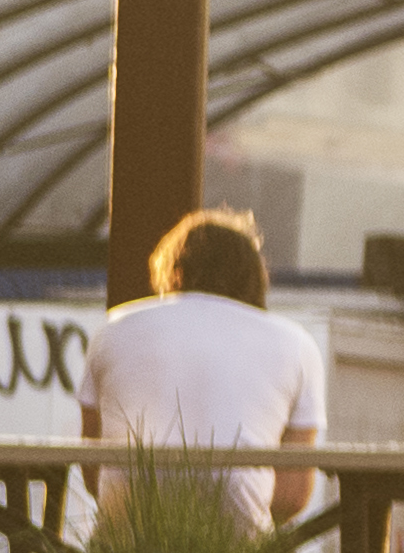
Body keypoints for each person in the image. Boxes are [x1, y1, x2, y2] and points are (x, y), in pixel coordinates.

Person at [84, 211, 330, 530]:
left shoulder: (113, 329)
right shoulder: (296, 344)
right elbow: (291, 496)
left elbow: (93, 468)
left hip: (126, 550)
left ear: (172, 271)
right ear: (255, 276)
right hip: (238, 551)